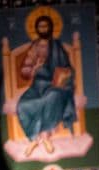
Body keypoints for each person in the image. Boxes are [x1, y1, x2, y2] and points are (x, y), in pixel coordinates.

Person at [17, 13, 77, 157]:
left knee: (52, 96)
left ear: (50, 27)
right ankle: (34, 137)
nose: (43, 29)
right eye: (40, 26)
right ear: (37, 29)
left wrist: (63, 75)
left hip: (55, 85)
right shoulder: (34, 47)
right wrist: (34, 69)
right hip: (37, 85)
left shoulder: (57, 46)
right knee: (23, 105)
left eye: (45, 26)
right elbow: (25, 71)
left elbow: (68, 68)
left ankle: (43, 136)